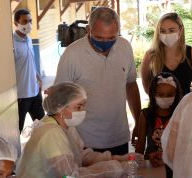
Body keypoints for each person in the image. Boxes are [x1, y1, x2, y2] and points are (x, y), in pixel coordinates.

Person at [13, 82, 136, 178]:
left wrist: (118, 158)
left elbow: (82, 155)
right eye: (78, 107)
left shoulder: (65, 126)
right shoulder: (51, 133)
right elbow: (71, 177)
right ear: (62, 108)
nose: (83, 111)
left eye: (83, 106)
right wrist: (113, 169)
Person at [53, 7, 141, 154]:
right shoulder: (72, 54)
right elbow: (59, 99)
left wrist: (139, 121)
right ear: (88, 29)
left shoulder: (125, 47)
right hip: (84, 140)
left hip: (118, 137)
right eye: (99, 38)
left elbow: (131, 85)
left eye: (111, 38)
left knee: (119, 176)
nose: (105, 42)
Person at [140, 12, 192, 96]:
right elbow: (146, 86)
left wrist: (187, 104)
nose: (167, 34)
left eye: (171, 30)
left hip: (186, 107)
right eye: (162, 31)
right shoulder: (150, 55)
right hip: (158, 108)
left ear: (181, 30)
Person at [136, 72, 182, 168]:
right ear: (153, 95)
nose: (165, 98)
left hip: (172, 165)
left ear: (176, 95)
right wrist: (138, 166)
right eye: (160, 94)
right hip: (151, 164)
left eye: (170, 95)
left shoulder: (180, 115)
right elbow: (140, 145)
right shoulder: (145, 115)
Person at [13, 8, 45, 132]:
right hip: (21, 96)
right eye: (25, 21)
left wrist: (38, 77)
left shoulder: (29, 39)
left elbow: (29, 62)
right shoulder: (11, 43)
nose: (29, 24)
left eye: (30, 21)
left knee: (43, 127)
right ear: (16, 23)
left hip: (35, 92)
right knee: (17, 131)